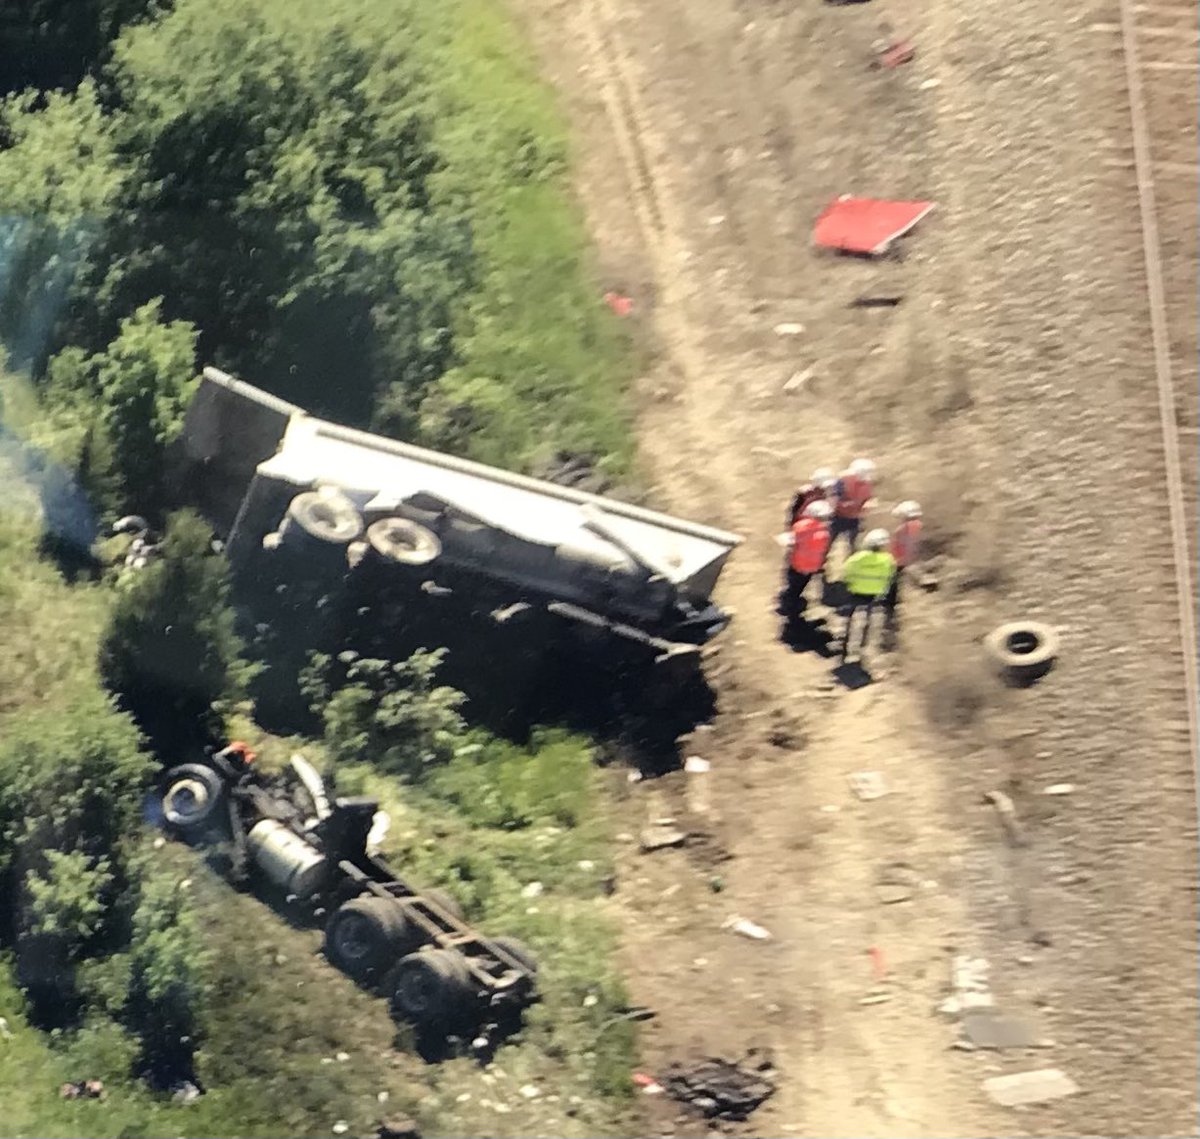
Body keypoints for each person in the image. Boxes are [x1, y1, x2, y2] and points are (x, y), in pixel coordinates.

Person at [840, 527, 896, 662]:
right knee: (868, 620)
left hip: (855, 592)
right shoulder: (888, 560)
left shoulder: (856, 558)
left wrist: (849, 585)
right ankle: (862, 647)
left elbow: (846, 573)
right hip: (874, 594)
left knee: (850, 619)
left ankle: (846, 645)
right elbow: (890, 576)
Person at [781, 500, 833, 620]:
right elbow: (824, 550)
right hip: (813, 566)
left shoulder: (800, 526)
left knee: (791, 587)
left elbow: (791, 543)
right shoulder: (825, 531)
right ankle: (795, 602)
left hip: (796, 564)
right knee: (801, 586)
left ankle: (789, 606)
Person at [828, 458, 876, 559]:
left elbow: (868, 498)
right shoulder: (843, 481)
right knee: (828, 542)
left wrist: (867, 505)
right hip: (838, 517)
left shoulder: (867, 483)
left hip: (854, 519)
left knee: (852, 544)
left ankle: (850, 564)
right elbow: (833, 499)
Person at [885, 500, 922, 623]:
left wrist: (895, 559)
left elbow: (901, 544)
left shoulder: (903, 529)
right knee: (896, 581)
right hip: (906, 559)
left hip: (898, 560)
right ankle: (892, 601)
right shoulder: (917, 525)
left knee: (893, 582)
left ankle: (890, 603)